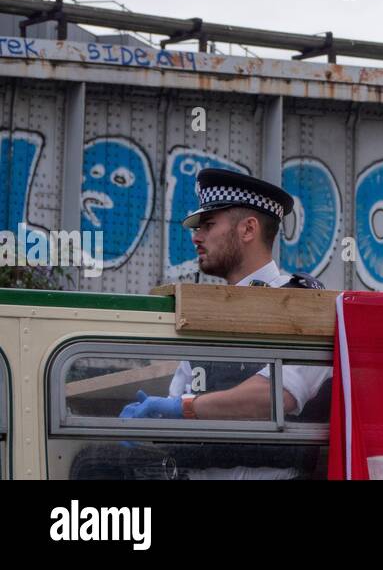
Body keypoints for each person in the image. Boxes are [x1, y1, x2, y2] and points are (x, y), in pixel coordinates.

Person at [107, 168, 331, 479]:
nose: (196, 237)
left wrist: (181, 408)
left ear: (248, 229)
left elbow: (275, 396)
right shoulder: (202, 311)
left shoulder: (303, 304)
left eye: (208, 225)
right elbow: (181, 396)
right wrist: (156, 418)